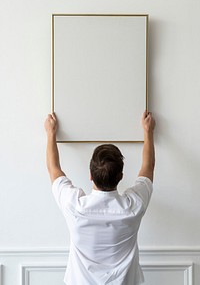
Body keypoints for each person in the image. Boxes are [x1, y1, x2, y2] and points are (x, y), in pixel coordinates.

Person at [44, 111, 156, 285]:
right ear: (121, 176)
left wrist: (51, 133)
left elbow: (53, 169)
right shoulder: (134, 206)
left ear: (90, 175)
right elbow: (148, 169)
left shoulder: (74, 206)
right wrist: (148, 131)